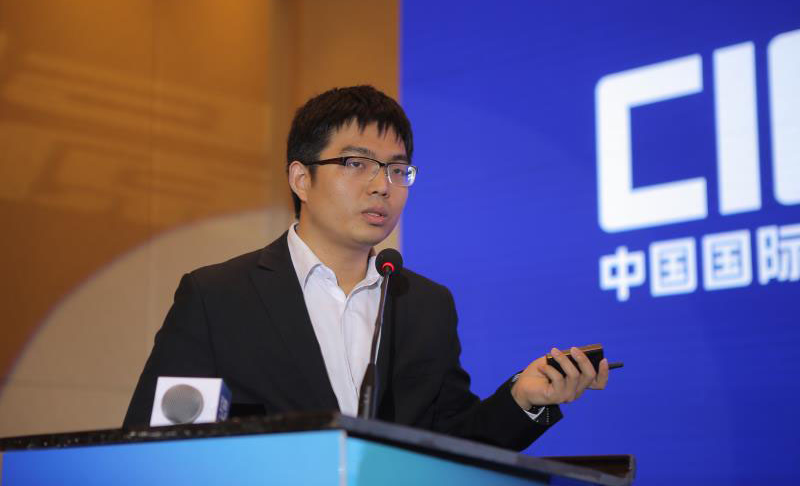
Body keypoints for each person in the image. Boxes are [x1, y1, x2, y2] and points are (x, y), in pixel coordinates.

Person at [123, 85, 609, 450]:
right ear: (301, 178)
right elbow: (153, 446)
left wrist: (526, 399)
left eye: (397, 170)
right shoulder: (218, 297)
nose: (382, 186)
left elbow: (453, 445)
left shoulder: (425, 304)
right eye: (357, 163)